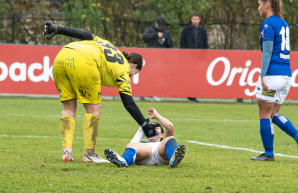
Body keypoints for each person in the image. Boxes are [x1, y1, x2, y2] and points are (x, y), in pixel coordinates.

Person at [43, 22, 158, 163]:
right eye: (133, 74)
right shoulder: (123, 71)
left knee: (68, 107)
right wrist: (145, 125)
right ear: (133, 66)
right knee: (94, 109)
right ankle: (89, 154)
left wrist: (59, 29)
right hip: (84, 61)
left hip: (62, 55)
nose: (131, 77)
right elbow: (129, 104)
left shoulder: (109, 45)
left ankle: (67, 152)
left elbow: (84, 34)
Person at [250, 0, 298, 162]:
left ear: (267, 5)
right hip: (286, 76)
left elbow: (267, 52)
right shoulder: (283, 23)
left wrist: (263, 75)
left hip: (273, 75)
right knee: (273, 113)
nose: (259, 8)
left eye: (260, 5)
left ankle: (268, 154)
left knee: (264, 114)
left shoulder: (268, 24)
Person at [104, 108, 186, 168]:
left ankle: (173, 159)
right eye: (151, 129)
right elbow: (132, 144)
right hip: (146, 152)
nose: (152, 130)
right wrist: (144, 127)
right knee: (131, 145)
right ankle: (123, 161)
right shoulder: (142, 144)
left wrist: (156, 116)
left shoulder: (164, 143)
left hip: (161, 152)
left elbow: (170, 126)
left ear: (162, 134)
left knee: (171, 138)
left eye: (156, 128)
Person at [180, 12, 208, 101]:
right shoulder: (186, 30)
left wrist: (203, 55)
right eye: (194, 19)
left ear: (199, 20)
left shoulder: (203, 31)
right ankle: (189, 94)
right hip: (188, 57)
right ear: (191, 20)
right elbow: (182, 43)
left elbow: (205, 44)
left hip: (199, 58)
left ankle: (194, 94)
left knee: (197, 76)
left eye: (197, 19)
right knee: (188, 76)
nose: (195, 21)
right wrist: (185, 53)